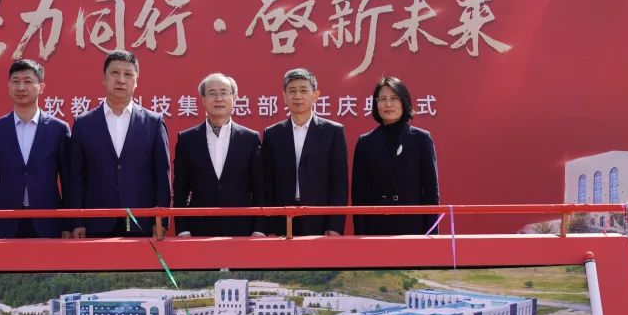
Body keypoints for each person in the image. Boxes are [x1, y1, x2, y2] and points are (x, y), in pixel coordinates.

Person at [67, 50, 171, 238]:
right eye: (115, 73)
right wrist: (77, 221)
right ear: (104, 79)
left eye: (128, 74)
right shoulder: (83, 123)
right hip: (96, 222)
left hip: (141, 221)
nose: (121, 80)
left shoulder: (153, 122)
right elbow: (76, 178)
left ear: (136, 81)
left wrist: (161, 220)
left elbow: (162, 176)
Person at [0, 58, 71, 239]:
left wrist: (68, 225)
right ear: (8, 86)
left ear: (41, 87)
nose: (21, 87)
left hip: (49, 221)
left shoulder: (59, 129)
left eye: (28, 81)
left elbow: (69, 183)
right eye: (15, 81)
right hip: (6, 221)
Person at [172, 73, 266, 237]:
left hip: (242, 229)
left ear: (234, 97)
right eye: (212, 93)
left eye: (224, 92)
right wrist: (183, 229)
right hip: (199, 230)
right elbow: (180, 189)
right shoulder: (187, 139)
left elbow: (260, 189)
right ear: (203, 99)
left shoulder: (250, 139)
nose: (218, 98)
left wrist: (259, 229)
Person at [261, 68, 348, 236]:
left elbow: (339, 183)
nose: (297, 96)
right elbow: (267, 184)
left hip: (319, 217)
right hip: (282, 217)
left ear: (315, 95)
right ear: (284, 96)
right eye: (292, 91)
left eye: (303, 90)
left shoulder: (333, 132)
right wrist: (268, 227)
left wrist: (334, 225)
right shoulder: (272, 134)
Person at [351, 76, 439, 235]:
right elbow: (359, 195)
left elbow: (431, 191)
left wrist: (431, 234)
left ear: (404, 101)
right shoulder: (365, 142)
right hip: (376, 228)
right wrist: (360, 235)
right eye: (383, 99)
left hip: (414, 227)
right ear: (376, 104)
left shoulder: (421, 139)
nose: (388, 104)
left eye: (394, 98)